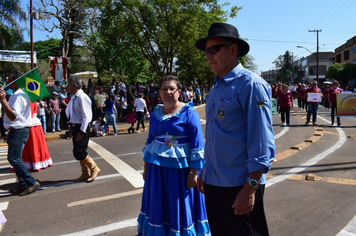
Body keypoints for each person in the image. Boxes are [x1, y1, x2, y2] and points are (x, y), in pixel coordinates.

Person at [195, 22, 275, 235]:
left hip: (239, 186)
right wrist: (206, 169)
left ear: (232, 50)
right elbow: (216, 137)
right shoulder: (216, 88)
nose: (208, 56)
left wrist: (250, 189)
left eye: (213, 50)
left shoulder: (250, 85)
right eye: (206, 51)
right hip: (214, 183)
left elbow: (261, 142)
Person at [137, 75, 210, 236]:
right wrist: (145, 168)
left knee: (180, 203)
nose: (168, 92)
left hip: (181, 171)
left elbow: (197, 144)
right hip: (156, 170)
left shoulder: (189, 113)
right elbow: (149, 143)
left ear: (179, 92)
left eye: (172, 89)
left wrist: (193, 172)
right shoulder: (156, 113)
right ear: (160, 92)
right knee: (159, 202)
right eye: (164, 89)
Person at [0, 71, 40, 196]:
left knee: (14, 158)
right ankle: (23, 184)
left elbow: (12, 116)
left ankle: (30, 181)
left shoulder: (18, 96)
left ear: (16, 81)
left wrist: (3, 100)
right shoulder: (17, 95)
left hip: (18, 130)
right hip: (16, 130)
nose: (8, 82)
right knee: (15, 158)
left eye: (10, 80)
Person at [66, 76, 100, 182]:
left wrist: (82, 131)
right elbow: (73, 114)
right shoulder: (74, 97)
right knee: (77, 151)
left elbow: (87, 116)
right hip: (76, 126)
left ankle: (94, 168)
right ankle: (85, 172)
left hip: (82, 127)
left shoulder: (82, 97)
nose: (67, 86)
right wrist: (72, 128)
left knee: (80, 151)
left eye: (69, 84)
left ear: (75, 85)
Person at [21, 102, 53, 171]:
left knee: (32, 144)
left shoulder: (27, 100)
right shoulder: (33, 100)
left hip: (29, 123)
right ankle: (38, 161)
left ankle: (33, 162)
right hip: (35, 123)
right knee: (38, 144)